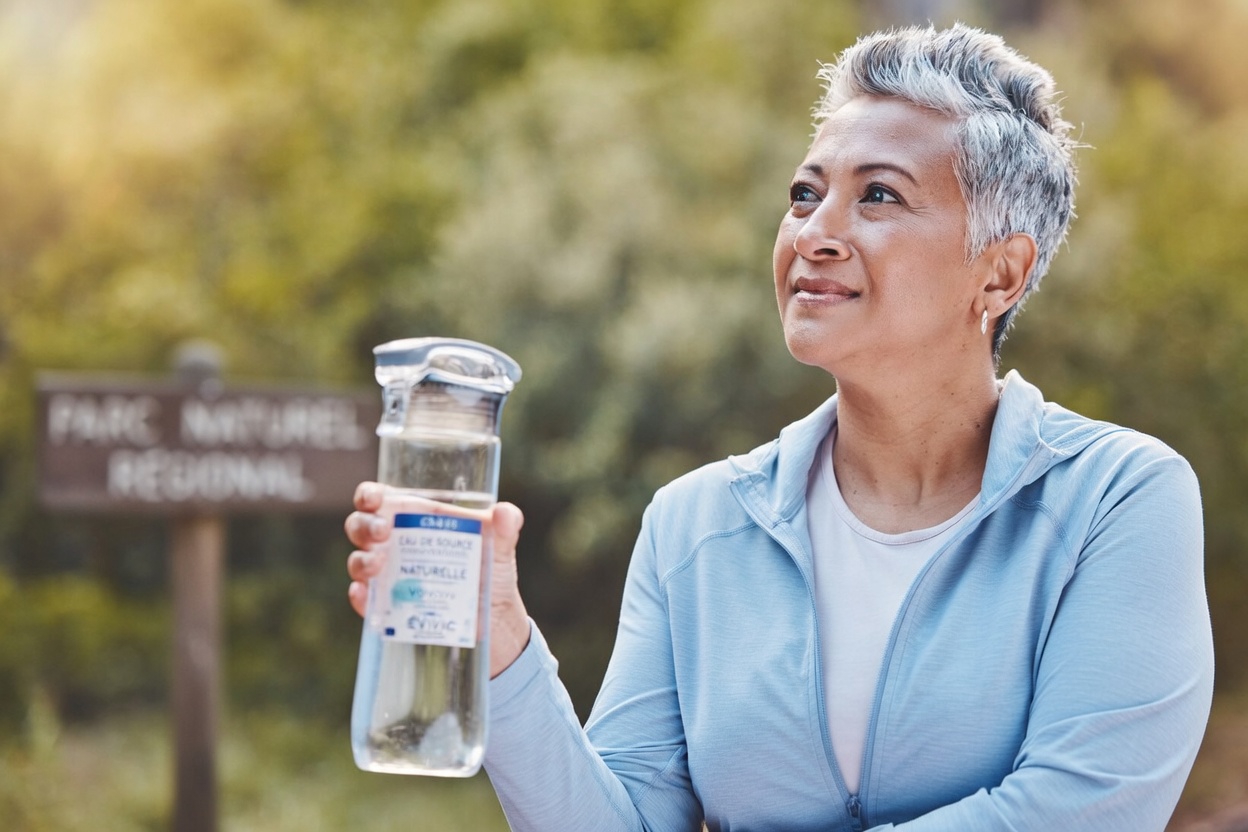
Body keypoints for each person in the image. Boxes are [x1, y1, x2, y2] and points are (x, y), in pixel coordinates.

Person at [345, 23, 1214, 831]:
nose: (816, 233)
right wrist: (500, 641)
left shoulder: (1119, 499)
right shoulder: (695, 526)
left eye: (878, 196)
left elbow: (1076, 811)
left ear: (1001, 273)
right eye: (805, 194)